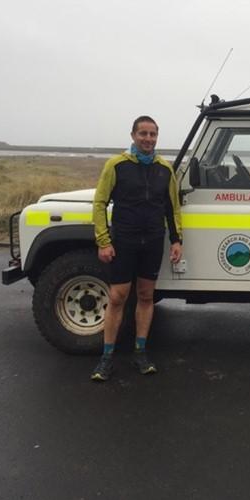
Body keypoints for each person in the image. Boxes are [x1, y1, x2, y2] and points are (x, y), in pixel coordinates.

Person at [90, 115, 182, 381]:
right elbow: (99, 203)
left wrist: (177, 240)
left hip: (153, 240)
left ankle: (140, 351)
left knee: (145, 296)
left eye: (153, 134)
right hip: (125, 240)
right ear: (133, 135)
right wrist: (103, 241)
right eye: (143, 133)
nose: (148, 139)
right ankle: (106, 356)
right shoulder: (116, 165)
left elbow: (172, 207)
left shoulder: (164, 169)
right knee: (118, 296)